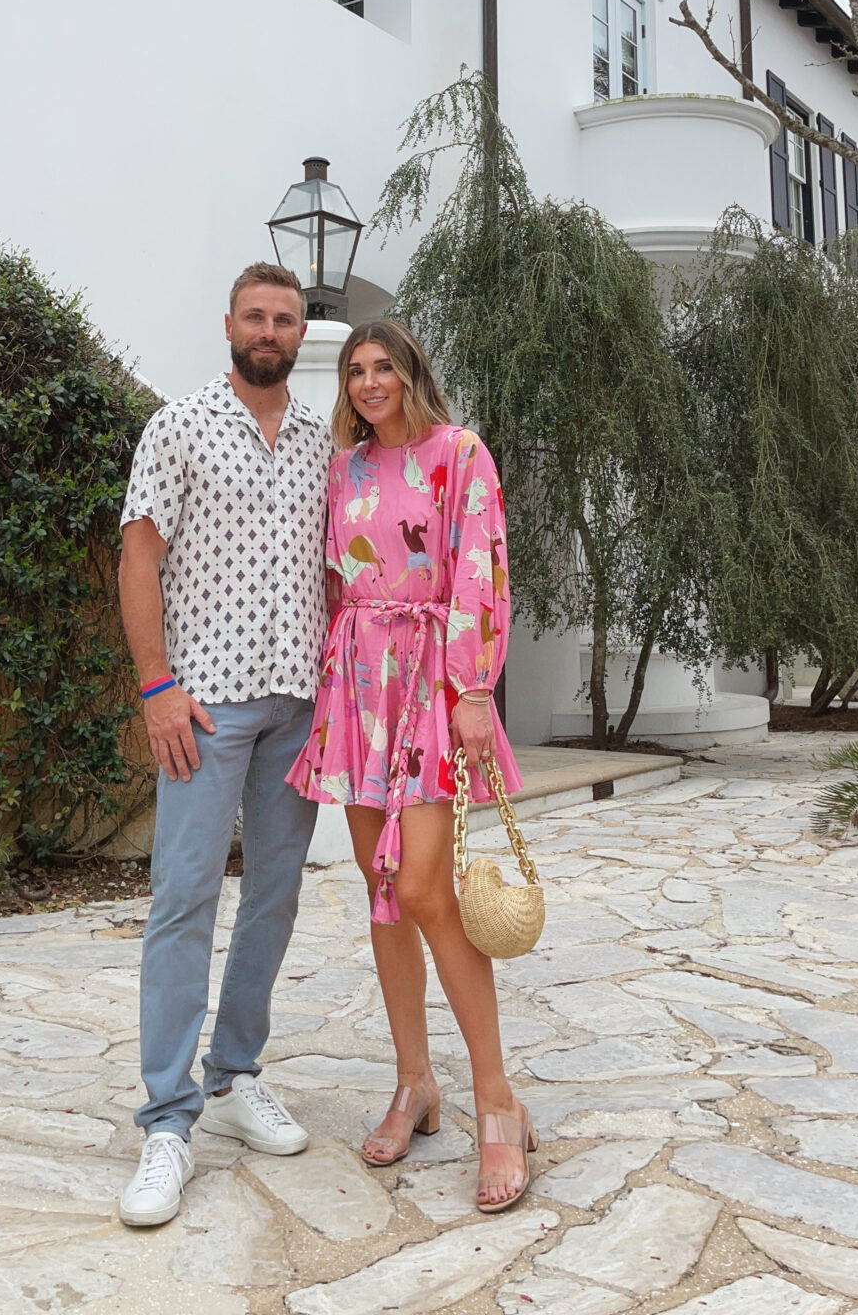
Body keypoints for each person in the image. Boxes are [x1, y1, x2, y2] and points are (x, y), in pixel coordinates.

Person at [286, 318, 537, 1214]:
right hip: (361, 683)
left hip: (434, 680)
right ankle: (413, 1081)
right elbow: (328, 583)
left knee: (429, 889)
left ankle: (498, 1101)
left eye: (382, 366)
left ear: (411, 372)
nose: (368, 382)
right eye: (355, 370)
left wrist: (474, 688)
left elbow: (482, 572)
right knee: (383, 884)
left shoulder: (460, 454)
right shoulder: (342, 472)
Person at [116, 262, 330, 1227]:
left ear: (298, 333)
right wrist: (157, 687)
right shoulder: (179, 425)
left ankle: (236, 1074)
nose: (269, 330)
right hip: (204, 709)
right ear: (230, 325)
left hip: (299, 704)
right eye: (255, 316)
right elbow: (139, 556)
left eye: (284, 318)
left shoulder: (323, 441)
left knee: (275, 896)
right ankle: (168, 1119)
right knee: (184, 899)